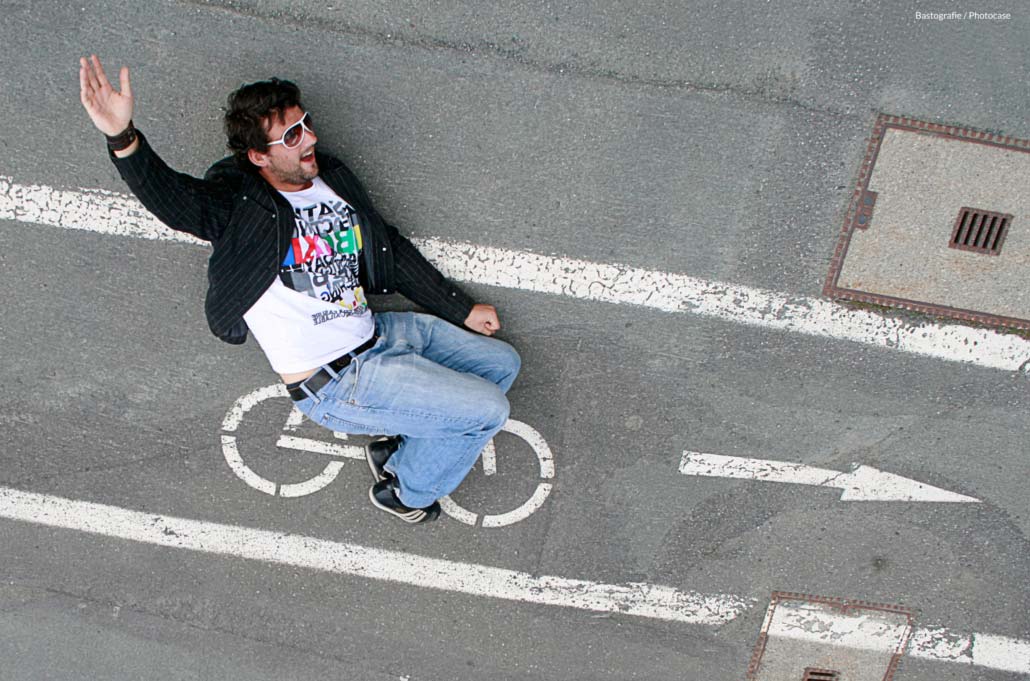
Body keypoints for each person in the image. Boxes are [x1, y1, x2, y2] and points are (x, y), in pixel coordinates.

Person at [78, 55, 520, 524]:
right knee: (487, 411)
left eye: (304, 124)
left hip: (382, 336)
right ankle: (406, 494)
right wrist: (123, 139)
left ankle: (398, 447)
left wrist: (461, 308)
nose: (309, 138)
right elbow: (173, 200)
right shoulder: (239, 209)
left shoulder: (331, 178)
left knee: (501, 365)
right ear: (258, 157)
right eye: (291, 136)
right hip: (338, 382)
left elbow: (387, 246)